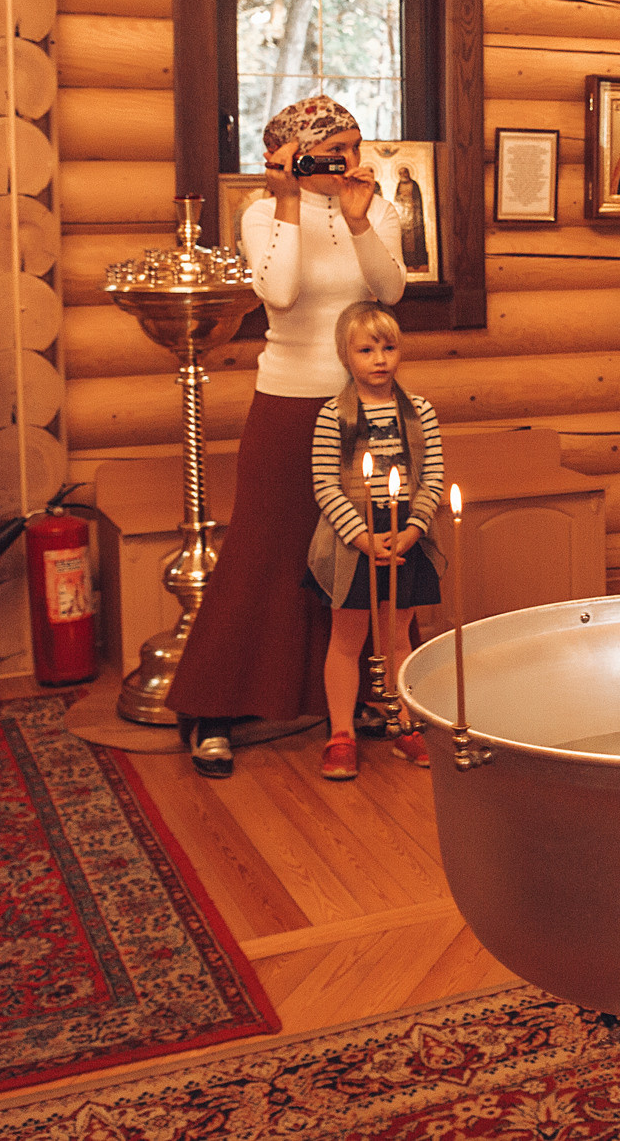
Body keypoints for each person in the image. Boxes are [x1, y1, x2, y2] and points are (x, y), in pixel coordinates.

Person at [167, 96, 407, 780]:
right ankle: (214, 707)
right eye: (333, 152)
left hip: (364, 403)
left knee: (360, 553)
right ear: (294, 159)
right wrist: (291, 203)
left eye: (356, 147)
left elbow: (388, 291)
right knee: (264, 549)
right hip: (288, 404)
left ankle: (361, 700)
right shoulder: (263, 214)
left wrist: (361, 222)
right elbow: (278, 290)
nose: (350, 163)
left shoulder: (378, 208)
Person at [308, 300, 446, 778]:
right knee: (347, 640)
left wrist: (412, 531)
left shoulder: (420, 412)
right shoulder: (334, 416)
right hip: (354, 541)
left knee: (397, 637)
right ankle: (341, 734)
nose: (380, 359)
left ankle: (403, 724)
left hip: (405, 535)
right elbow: (324, 484)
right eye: (366, 350)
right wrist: (363, 538)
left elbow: (432, 478)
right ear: (347, 356)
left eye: (388, 347)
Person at [392, 165, 429, 271]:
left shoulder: (414, 185)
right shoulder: (399, 185)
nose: (403, 175)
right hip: (404, 216)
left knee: (416, 239)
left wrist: (412, 203)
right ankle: (407, 262)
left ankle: (418, 261)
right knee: (405, 241)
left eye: (405, 172)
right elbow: (397, 201)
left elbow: (418, 200)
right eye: (401, 173)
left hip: (413, 216)